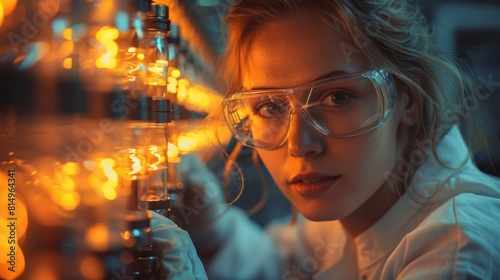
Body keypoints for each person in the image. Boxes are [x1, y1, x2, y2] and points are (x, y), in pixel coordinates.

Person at [152, 0, 500, 279]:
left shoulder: (457, 247)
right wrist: (212, 227)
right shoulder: (353, 198)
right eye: (270, 106)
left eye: (337, 97)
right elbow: (280, 266)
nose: (300, 144)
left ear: (407, 100)